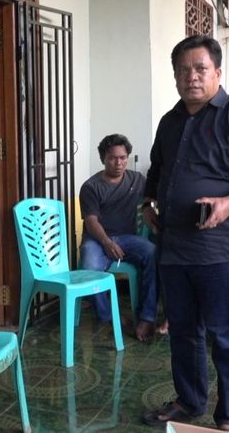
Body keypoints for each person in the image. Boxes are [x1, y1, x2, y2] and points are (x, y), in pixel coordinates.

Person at [141, 35, 229, 432]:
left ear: (217, 73)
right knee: (183, 333)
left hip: (219, 249)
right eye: (183, 70)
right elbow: (157, 169)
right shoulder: (170, 121)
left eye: (200, 68)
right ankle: (190, 402)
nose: (192, 77)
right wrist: (147, 203)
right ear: (175, 76)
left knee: (225, 337)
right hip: (173, 248)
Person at [79, 134, 158, 342]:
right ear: (103, 158)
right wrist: (106, 242)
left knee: (153, 253)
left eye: (123, 157)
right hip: (97, 239)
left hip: (127, 238)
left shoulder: (136, 180)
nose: (119, 163)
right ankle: (108, 316)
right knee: (89, 263)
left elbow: (152, 196)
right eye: (113, 158)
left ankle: (147, 316)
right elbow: (91, 221)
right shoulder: (91, 186)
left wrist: (150, 208)